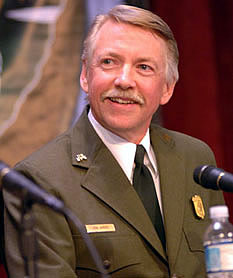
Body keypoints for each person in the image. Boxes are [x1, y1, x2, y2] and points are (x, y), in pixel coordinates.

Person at [3, 4, 224, 278]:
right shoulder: (40, 181)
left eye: (144, 67)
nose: (124, 80)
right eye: (109, 62)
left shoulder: (195, 159)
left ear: (167, 88)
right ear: (85, 75)